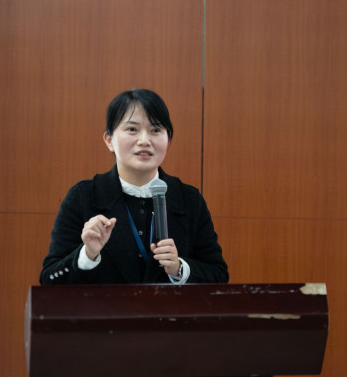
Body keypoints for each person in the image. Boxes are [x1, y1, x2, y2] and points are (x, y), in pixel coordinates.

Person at [39, 89, 228, 285]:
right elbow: (49, 279)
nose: (144, 140)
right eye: (132, 129)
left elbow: (219, 275)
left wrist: (180, 269)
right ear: (109, 140)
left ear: (168, 140)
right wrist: (87, 255)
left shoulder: (188, 199)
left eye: (155, 130)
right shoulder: (83, 196)